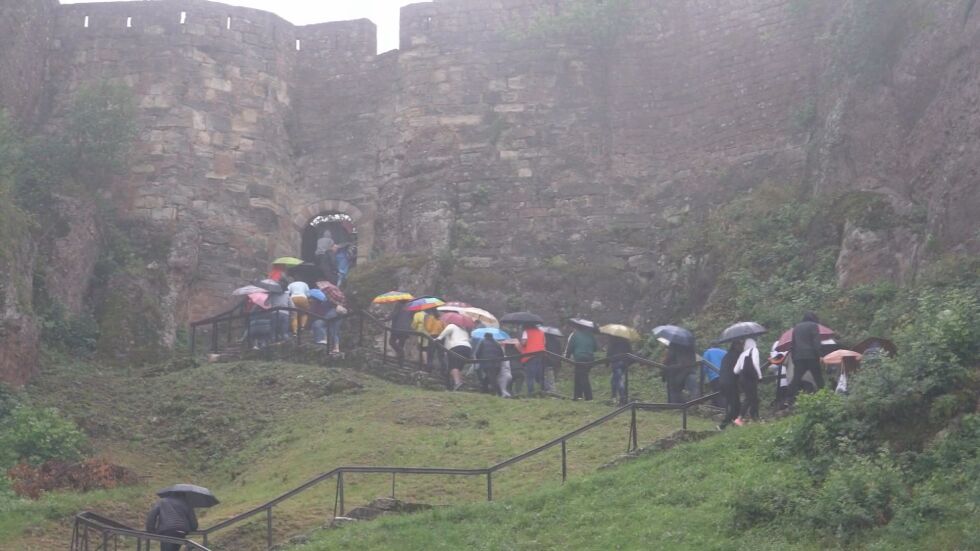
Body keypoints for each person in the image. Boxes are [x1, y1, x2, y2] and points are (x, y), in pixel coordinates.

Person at [788, 312, 825, 401]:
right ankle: (825, 396)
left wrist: (794, 357)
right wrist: (820, 355)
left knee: (796, 379)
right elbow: (816, 342)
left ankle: (789, 398)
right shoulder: (813, 326)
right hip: (811, 356)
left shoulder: (796, 327)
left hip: (798, 357)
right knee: (818, 377)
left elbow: (793, 344)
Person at [437, 321, 472, 391]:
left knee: (453, 366)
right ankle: (460, 381)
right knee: (458, 367)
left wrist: (439, 338)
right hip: (467, 348)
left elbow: (447, 331)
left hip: (456, 347)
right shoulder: (463, 330)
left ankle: (457, 383)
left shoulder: (451, 325)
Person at [565, 324, 596, 400]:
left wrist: (567, 357)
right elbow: (595, 347)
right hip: (590, 358)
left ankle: (589, 397)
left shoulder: (575, 335)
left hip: (580, 358)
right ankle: (578, 396)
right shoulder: (591, 335)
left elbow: (570, 347)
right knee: (578, 376)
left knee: (583, 377)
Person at [309, 289, 345, 355]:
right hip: (334, 319)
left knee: (321, 326)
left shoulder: (332, 304)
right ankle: (336, 348)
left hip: (331, 318)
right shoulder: (335, 305)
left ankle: (325, 341)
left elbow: (328, 317)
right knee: (334, 333)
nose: (326, 294)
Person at [734, 338, 762, 422]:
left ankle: (754, 417)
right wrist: (760, 375)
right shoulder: (754, 350)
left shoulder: (742, 354)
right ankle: (739, 418)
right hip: (750, 377)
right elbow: (755, 363)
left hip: (742, 378)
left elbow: (735, 370)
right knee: (750, 398)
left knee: (752, 398)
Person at [718, 340, 743, 430]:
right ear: (735, 346)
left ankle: (735, 423)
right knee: (735, 406)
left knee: (735, 405)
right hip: (730, 383)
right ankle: (722, 425)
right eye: (740, 344)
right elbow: (738, 370)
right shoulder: (736, 356)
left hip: (723, 382)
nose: (741, 347)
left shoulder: (727, 355)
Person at [519, 323, 547, 396]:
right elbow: (544, 343)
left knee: (529, 376)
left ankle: (531, 393)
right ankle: (544, 391)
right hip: (540, 355)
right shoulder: (541, 332)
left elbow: (524, 342)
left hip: (530, 356)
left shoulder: (526, 331)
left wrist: (520, 342)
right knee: (540, 375)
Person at [607, 335, 633, 405]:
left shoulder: (613, 340)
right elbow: (630, 352)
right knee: (614, 379)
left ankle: (622, 397)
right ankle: (614, 397)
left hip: (616, 362)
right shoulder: (626, 341)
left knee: (618, 380)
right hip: (624, 363)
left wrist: (607, 363)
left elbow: (609, 352)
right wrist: (629, 363)